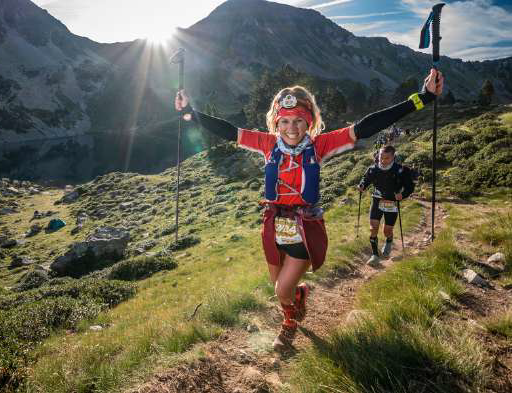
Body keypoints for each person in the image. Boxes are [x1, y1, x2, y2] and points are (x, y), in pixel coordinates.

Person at [174, 69, 443, 350]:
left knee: (281, 290)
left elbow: (366, 127)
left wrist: (421, 98)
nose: (292, 127)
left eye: (299, 121)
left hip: (304, 226)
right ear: (276, 124)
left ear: (310, 121)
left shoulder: (320, 145)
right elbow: (229, 131)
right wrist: (191, 111)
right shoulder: (267, 145)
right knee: (280, 288)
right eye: (285, 121)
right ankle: (298, 299)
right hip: (273, 226)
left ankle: (289, 325)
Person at [358, 145, 415, 265]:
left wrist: (403, 195)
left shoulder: (401, 170)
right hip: (377, 200)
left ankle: (389, 240)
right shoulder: (373, 169)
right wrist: (362, 185)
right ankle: (375, 255)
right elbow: (366, 179)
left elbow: (410, 186)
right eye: (381, 157)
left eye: (386, 158)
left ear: (393, 157)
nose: (383, 160)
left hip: (392, 202)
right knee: (373, 228)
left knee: (387, 231)